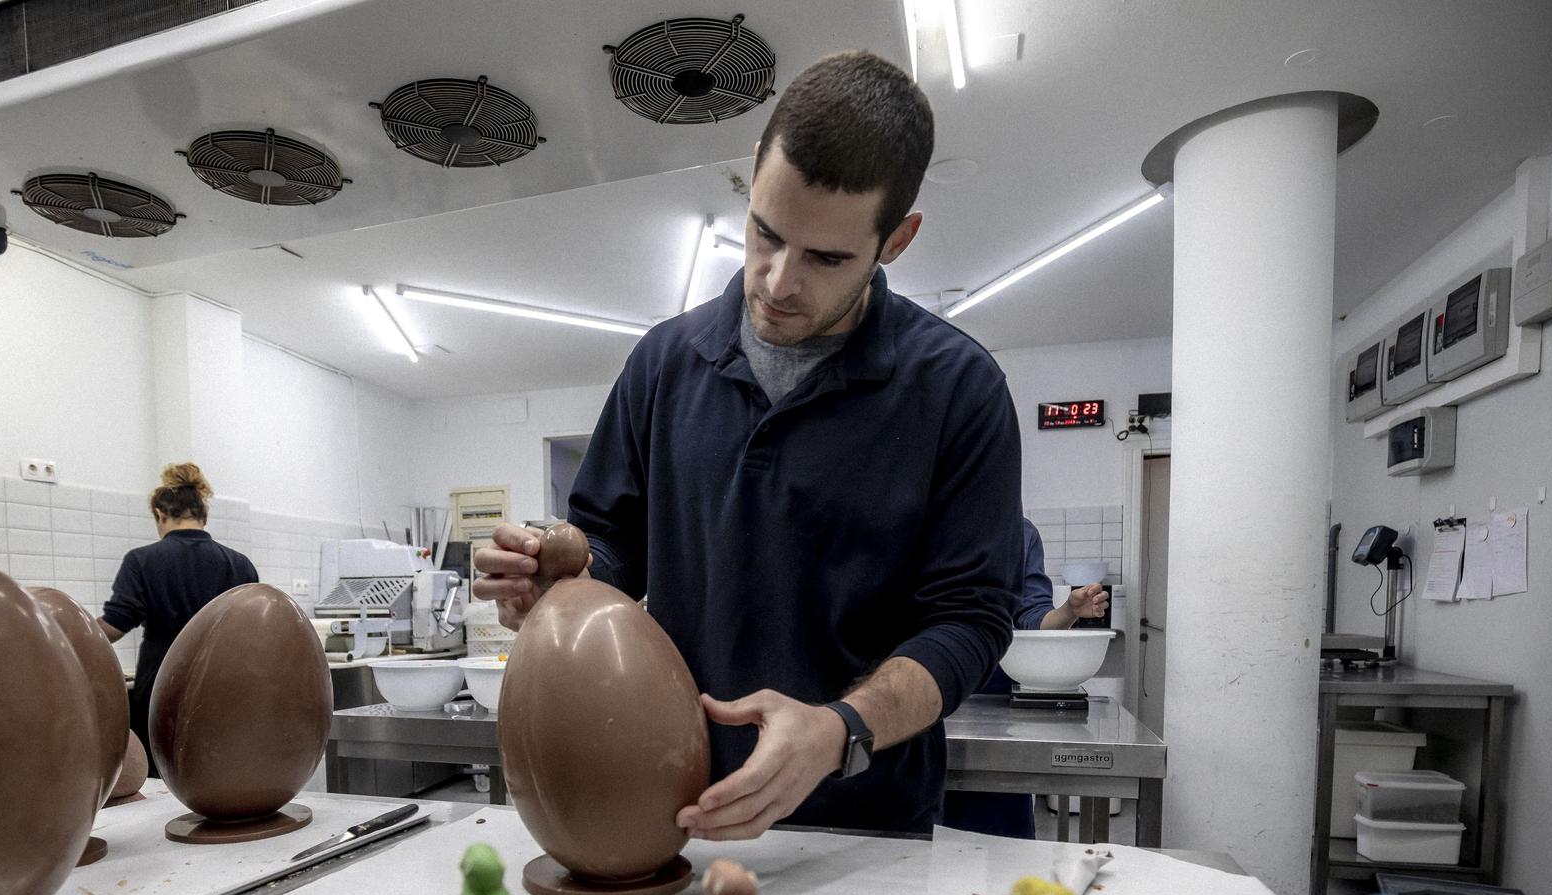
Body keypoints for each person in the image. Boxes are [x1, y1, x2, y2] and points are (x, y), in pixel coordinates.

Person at [473, 51, 1025, 842]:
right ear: (751, 178)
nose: (776, 281)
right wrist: (553, 582)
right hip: (674, 811)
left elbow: (970, 621)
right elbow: (613, 554)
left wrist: (840, 730)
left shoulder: (957, 392)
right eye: (765, 233)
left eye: (826, 258)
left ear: (896, 241)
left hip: (863, 833)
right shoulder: (664, 364)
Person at [939, 516, 1109, 840]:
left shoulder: (1019, 532)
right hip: (915, 700)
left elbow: (1031, 617)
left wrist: (1069, 611)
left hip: (992, 708)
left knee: (998, 846)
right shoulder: (916, 515)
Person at [99, 462, 259, 772]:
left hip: (162, 687)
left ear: (160, 515)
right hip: (222, 688)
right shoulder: (240, 564)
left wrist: (63, 630)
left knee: (164, 777)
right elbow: (251, 633)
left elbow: (115, 626)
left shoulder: (142, 560)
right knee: (218, 771)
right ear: (204, 516)